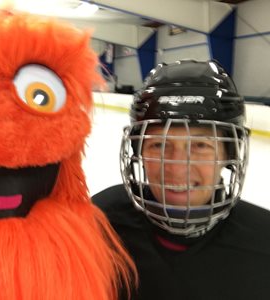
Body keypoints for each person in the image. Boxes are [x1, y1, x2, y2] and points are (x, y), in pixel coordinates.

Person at [93, 60, 270, 300]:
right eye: (159, 145)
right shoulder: (99, 224)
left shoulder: (262, 242)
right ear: (138, 151)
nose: (177, 168)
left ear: (229, 155)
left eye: (200, 145)